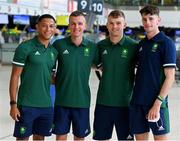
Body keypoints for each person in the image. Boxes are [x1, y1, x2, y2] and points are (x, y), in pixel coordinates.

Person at [129, 5, 176, 141]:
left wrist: (157, 103)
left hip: (156, 104)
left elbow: (170, 77)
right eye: (144, 19)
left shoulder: (166, 43)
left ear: (158, 20)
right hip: (138, 102)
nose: (147, 22)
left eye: (151, 18)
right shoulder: (141, 45)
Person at [9, 14, 57, 140]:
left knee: (40, 138)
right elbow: (14, 77)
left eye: (51, 26)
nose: (48, 29)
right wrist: (13, 104)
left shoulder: (53, 52)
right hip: (27, 104)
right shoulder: (25, 47)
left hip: (46, 105)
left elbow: (50, 77)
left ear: (55, 28)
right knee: (22, 138)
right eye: (44, 26)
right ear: (37, 27)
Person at [93, 10, 138, 140]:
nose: (115, 26)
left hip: (126, 104)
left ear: (125, 25)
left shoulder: (133, 46)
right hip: (103, 102)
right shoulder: (100, 46)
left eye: (118, 23)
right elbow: (92, 63)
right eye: (111, 23)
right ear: (107, 25)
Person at [52, 11, 96, 140]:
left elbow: (101, 66)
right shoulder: (59, 45)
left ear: (85, 26)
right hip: (62, 100)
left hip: (82, 101)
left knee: (79, 137)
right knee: (60, 137)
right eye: (73, 24)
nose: (76, 27)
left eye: (80, 23)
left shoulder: (92, 47)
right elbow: (48, 68)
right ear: (69, 25)